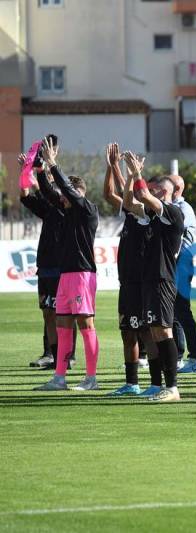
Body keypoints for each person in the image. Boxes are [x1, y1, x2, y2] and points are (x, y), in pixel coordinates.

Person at [33, 136, 100, 392]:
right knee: (62, 326)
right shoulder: (66, 210)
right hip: (65, 275)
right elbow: (50, 193)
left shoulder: (87, 209)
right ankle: (59, 378)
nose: (61, 198)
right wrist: (41, 170)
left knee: (86, 325)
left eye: (66, 194)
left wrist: (53, 164)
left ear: (77, 192)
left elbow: (65, 190)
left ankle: (91, 379)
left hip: (83, 275)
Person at [123, 152, 185, 402]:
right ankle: (163, 386)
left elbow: (142, 194)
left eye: (155, 189)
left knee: (164, 332)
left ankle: (173, 388)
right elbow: (130, 202)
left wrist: (137, 173)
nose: (150, 191)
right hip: (150, 280)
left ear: (165, 192)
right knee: (157, 333)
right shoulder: (151, 217)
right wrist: (131, 176)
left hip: (162, 279)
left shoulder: (173, 213)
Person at [101, 143, 152, 396]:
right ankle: (132, 384)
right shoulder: (130, 213)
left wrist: (130, 173)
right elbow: (111, 193)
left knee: (146, 332)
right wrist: (113, 167)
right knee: (127, 333)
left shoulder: (145, 214)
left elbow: (127, 192)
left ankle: (158, 383)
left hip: (142, 283)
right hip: (127, 284)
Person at [18, 153, 75, 371]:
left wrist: (41, 174)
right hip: (45, 268)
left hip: (64, 269)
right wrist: (24, 172)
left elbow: (45, 190)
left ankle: (68, 356)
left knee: (65, 314)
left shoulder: (69, 209)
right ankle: (53, 355)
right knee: (48, 312)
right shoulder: (49, 209)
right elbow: (24, 196)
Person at [171, 174, 196, 374]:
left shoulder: (184, 208)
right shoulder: (173, 207)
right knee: (173, 312)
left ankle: (195, 359)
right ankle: (178, 357)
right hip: (173, 263)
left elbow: (177, 232)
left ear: (175, 189)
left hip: (182, 263)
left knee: (182, 310)